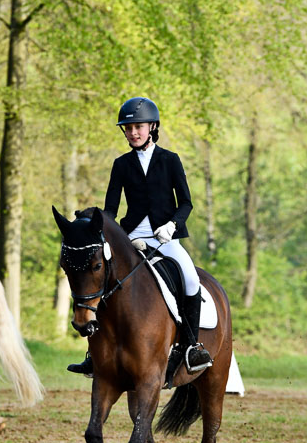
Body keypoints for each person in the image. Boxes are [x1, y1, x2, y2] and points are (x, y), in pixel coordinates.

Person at [68, 96, 212, 376]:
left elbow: (186, 202)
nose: (133, 133)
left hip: (165, 239)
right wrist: (94, 222)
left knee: (190, 278)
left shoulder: (170, 160)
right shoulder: (121, 164)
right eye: (128, 128)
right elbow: (110, 209)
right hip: (131, 239)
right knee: (105, 281)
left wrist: (172, 225)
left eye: (138, 127)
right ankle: (92, 353)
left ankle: (191, 347)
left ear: (152, 127)